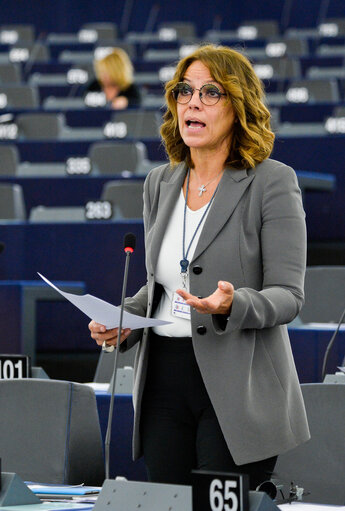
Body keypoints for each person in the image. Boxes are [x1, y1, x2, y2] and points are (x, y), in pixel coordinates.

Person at [89, 44, 310, 489]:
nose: (193, 101)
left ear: (238, 105)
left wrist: (232, 304)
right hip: (163, 383)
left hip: (238, 382)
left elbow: (289, 295)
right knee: (169, 500)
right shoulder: (160, 182)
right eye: (184, 90)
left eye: (211, 92)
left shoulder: (272, 181)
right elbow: (161, 284)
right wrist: (125, 320)